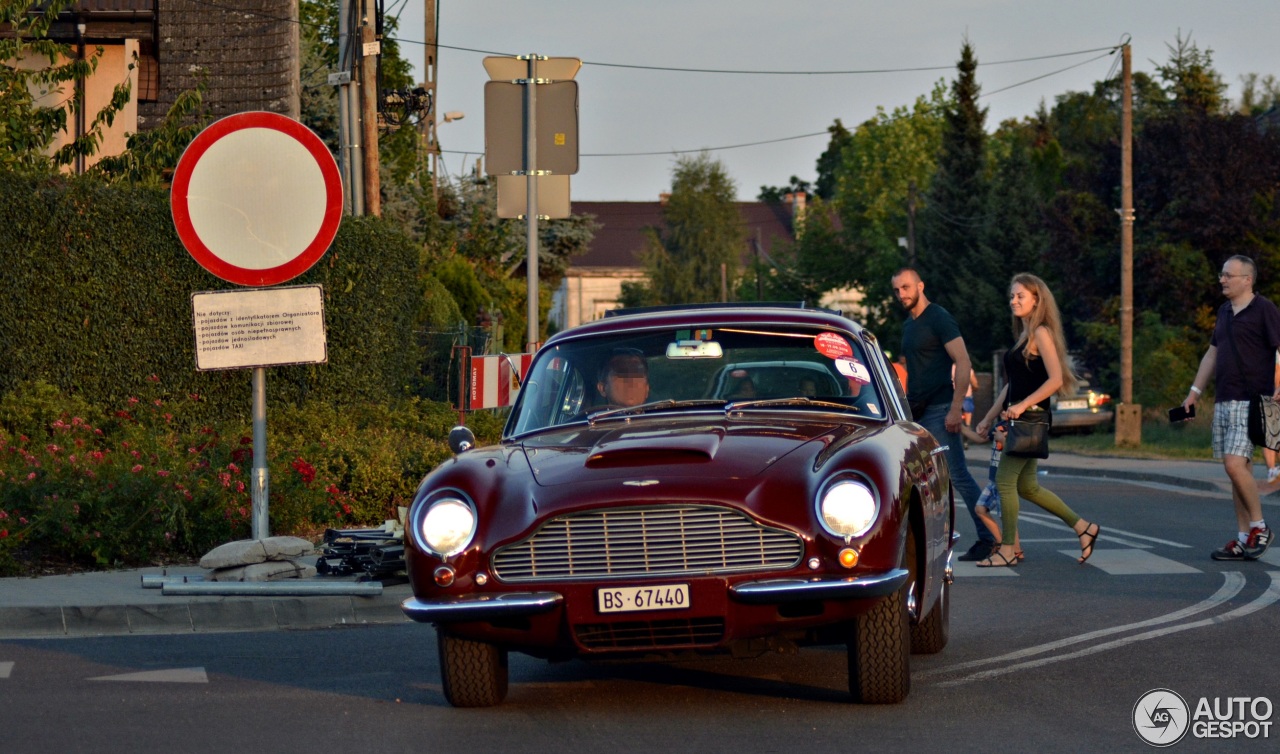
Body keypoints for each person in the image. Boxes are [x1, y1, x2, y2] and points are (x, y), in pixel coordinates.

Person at [975, 273, 1101, 568]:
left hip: (1029, 420)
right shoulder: (1024, 334)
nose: (1014, 300)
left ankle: (1008, 549)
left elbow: (1056, 379)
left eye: (1021, 295)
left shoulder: (1041, 333)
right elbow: (1012, 384)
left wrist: (1023, 406)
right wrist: (988, 417)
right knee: (1028, 487)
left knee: (1005, 483)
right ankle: (1083, 527)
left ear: (1037, 300)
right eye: (1012, 295)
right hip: (1020, 417)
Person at [890, 267, 994, 561]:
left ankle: (988, 538)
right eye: (897, 290)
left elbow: (962, 361)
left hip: (940, 409)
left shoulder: (939, 317)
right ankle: (926, 544)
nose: (902, 294)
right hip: (917, 412)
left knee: (957, 475)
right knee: (921, 481)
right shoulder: (909, 326)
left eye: (907, 287)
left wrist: (956, 407)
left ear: (920, 286)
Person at [1182, 254, 1279, 561]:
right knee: (1240, 471)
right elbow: (1212, 354)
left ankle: (1259, 527)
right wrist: (1194, 392)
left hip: (1250, 400)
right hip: (1224, 399)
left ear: (1247, 279)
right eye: (1221, 274)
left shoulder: (1264, 309)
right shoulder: (1224, 312)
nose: (1222, 279)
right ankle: (1242, 538)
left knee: (1234, 465)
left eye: (1228, 275)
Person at [1265, 352, 1280, 483]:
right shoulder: (1273, 352)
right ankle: (1272, 469)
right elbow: (1276, 371)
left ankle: (1272, 469)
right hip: (1272, 394)